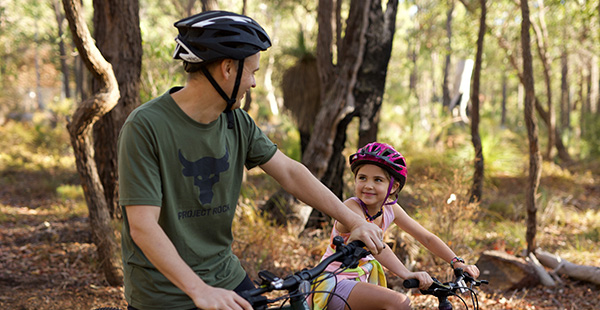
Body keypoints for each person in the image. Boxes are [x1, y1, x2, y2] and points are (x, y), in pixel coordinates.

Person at [117, 10, 386, 310]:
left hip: (226, 277)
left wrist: (353, 221)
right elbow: (142, 226)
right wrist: (200, 291)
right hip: (164, 295)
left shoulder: (237, 122)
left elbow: (289, 172)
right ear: (228, 69)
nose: (254, 83)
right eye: (253, 72)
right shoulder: (146, 126)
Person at [311, 142, 480, 310]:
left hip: (359, 282)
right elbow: (378, 247)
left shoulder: (390, 209)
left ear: (394, 187)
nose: (368, 185)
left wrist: (457, 262)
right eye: (362, 178)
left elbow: (426, 237)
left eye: (378, 180)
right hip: (332, 283)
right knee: (400, 302)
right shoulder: (351, 208)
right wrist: (406, 273)